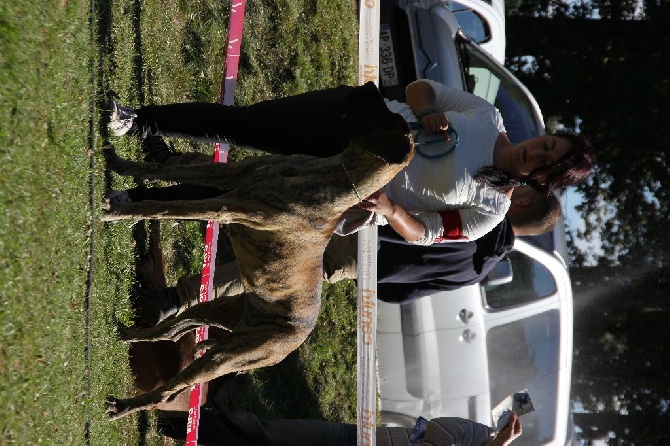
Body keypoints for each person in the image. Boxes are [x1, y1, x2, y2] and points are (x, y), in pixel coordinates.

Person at [109, 80, 593, 245]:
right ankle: (137, 122)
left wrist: (390, 212)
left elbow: (425, 233)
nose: (540, 150)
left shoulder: (491, 212)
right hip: (349, 118)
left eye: (547, 161)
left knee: (238, 194)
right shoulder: (486, 116)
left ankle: (133, 199)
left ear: (541, 180)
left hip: (345, 184)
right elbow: (418, 89)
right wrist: (428, 112)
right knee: (241, 126)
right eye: (550, 142)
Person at [134, 137, 561, 321]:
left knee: (263, 189)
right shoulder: (476, 270)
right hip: (360, 262)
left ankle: (170, 167)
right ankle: (175, 300)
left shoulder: (484, 209)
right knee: (261, 274)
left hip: (365, 212)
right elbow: (403, 293)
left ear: (522, 201)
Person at [155, 406, 523, 446]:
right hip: (353, 437)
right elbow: (438, 428)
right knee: (272, 432)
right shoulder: (480, 435)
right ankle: (178, 424)